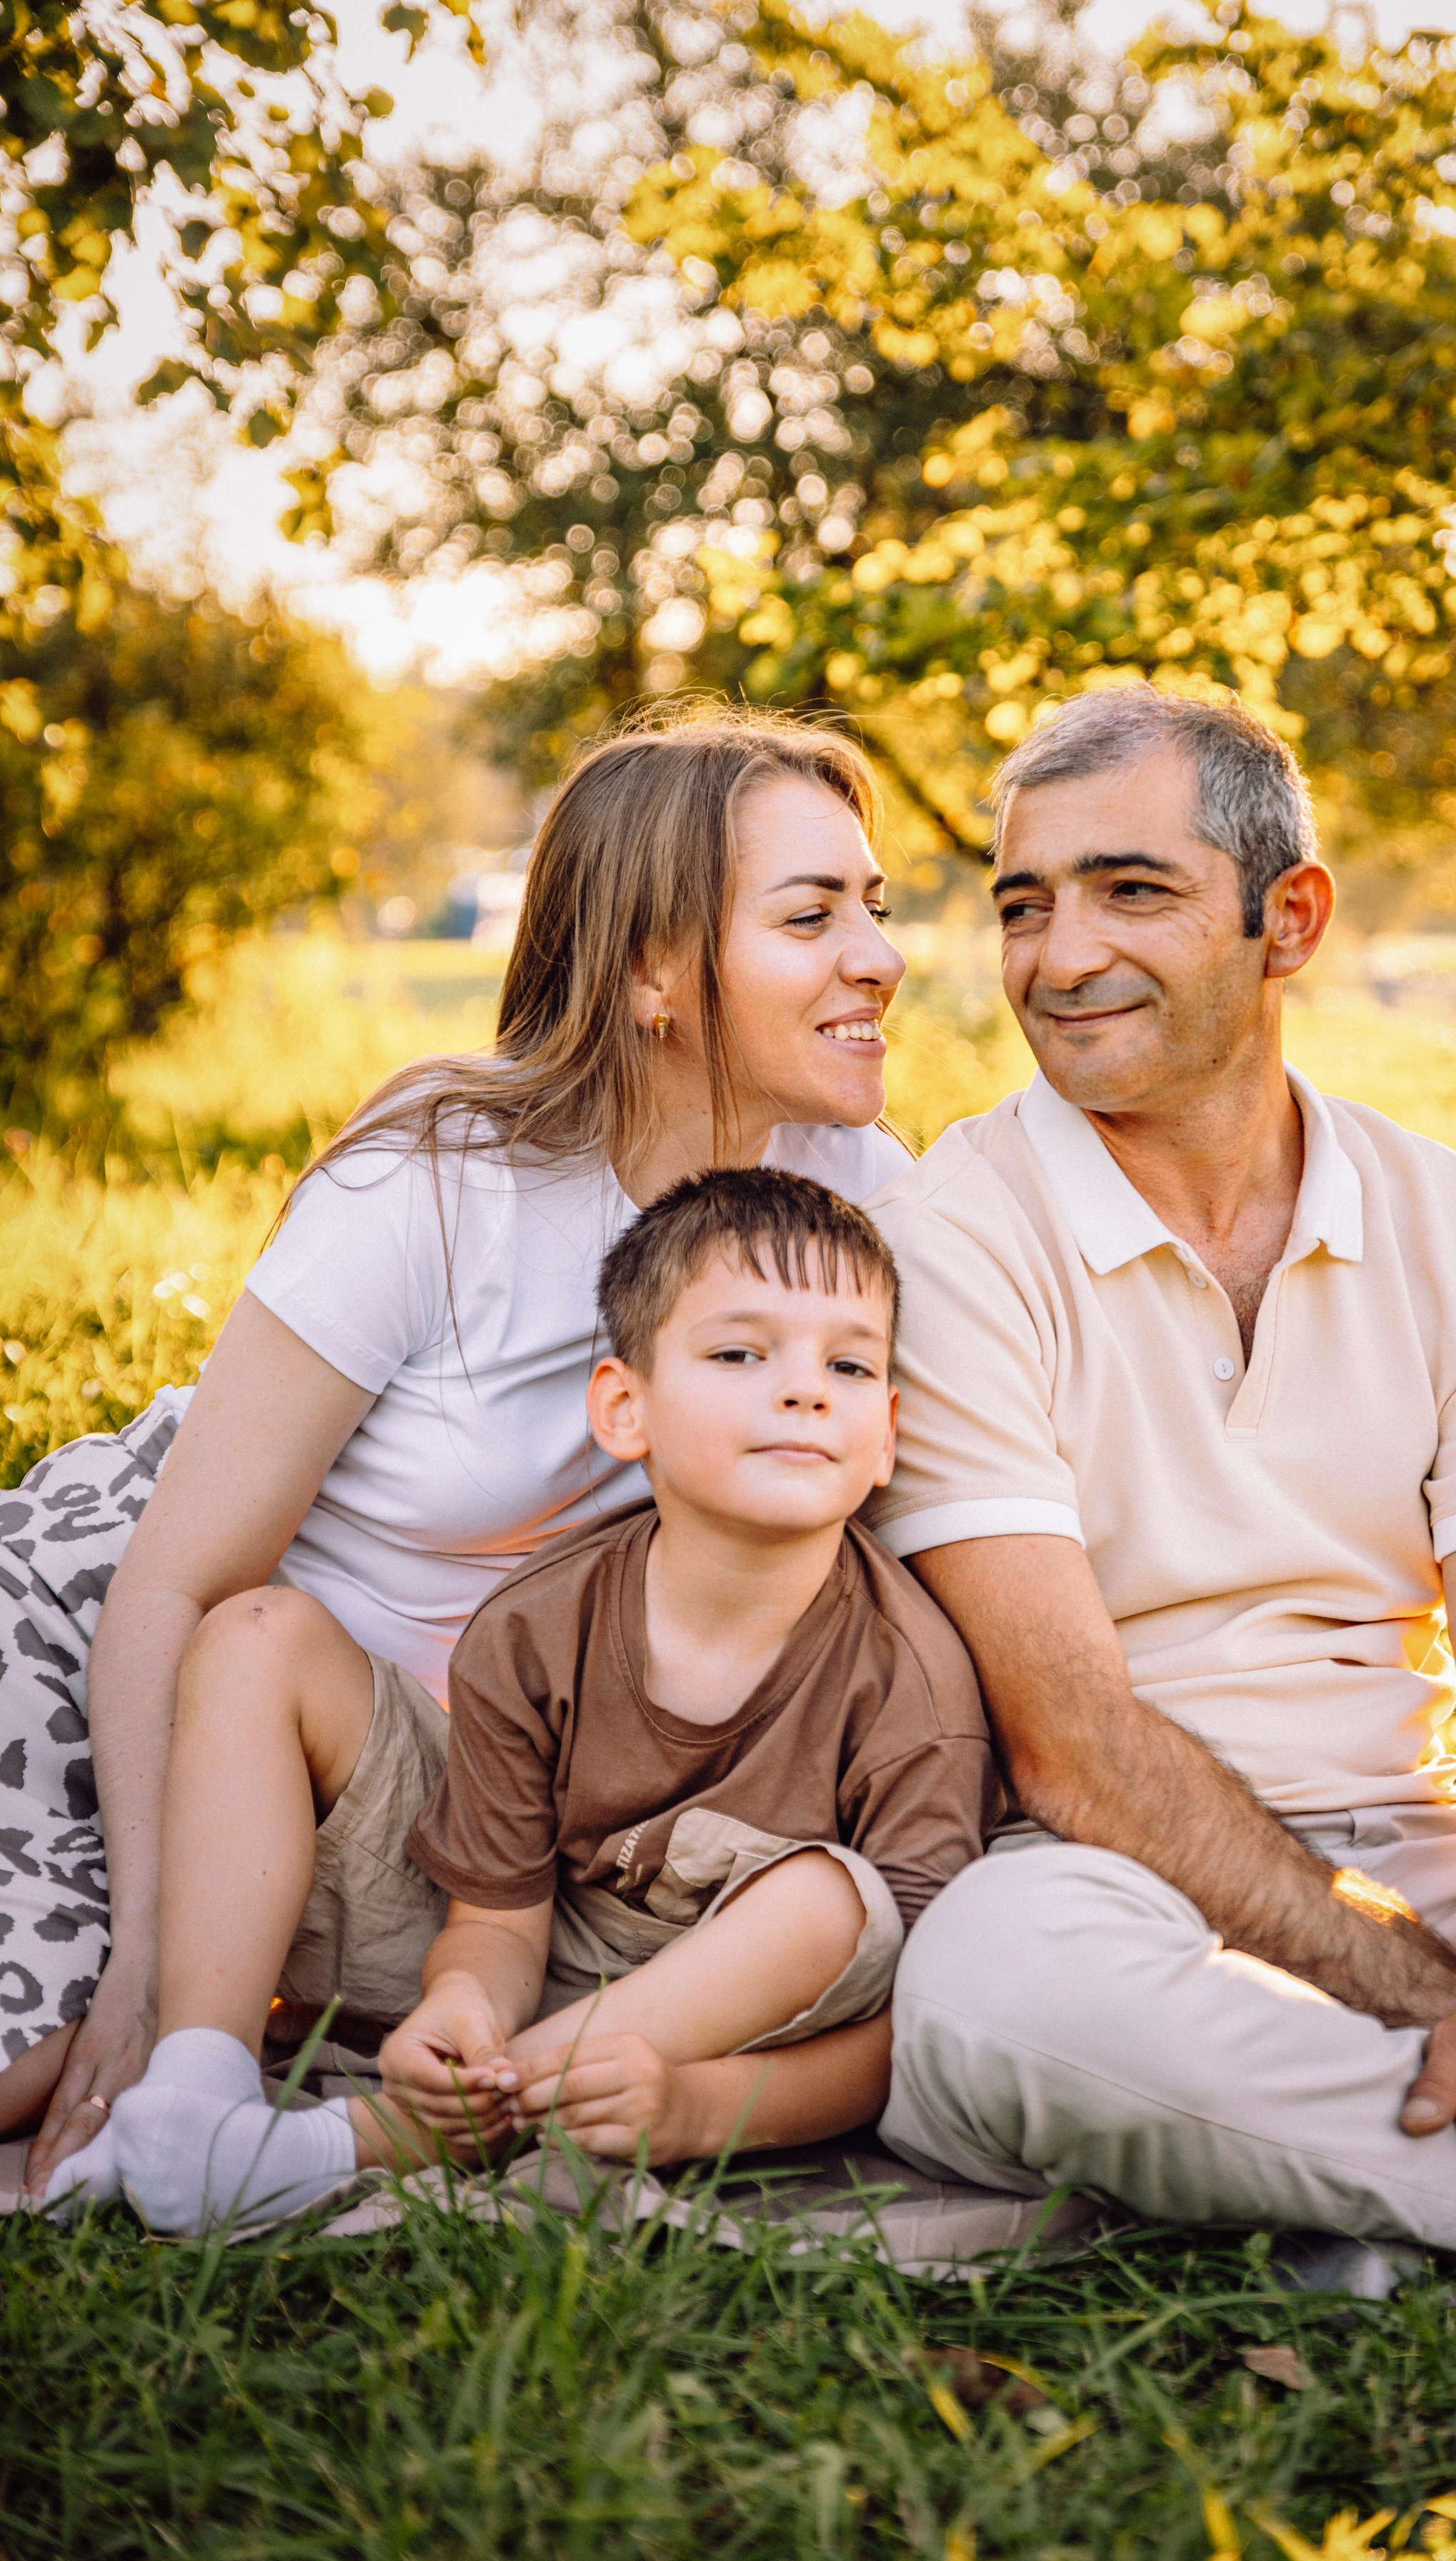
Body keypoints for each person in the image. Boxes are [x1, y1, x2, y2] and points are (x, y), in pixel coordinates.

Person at [864, 683, 1456, 2276]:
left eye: (1132, 890)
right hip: (1120, 1886)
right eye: (1020, 905)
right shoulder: (948, 1235)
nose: (1055, 957)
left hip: (1432, 1854)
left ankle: (1448, 2186)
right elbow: (1074, 1744)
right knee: (992, 1985)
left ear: (1286, 919)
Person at [3, 705, 913, 2199]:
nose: (877, 955)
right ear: (650, 970)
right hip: (129, 1632)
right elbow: (175, 1588)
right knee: (48, 2064)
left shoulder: (847, 1183)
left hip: (409, 1760)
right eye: (811, 915)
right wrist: (145, 1979)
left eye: (870, 908)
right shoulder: (435, 1180)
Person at [74, 1169, 997, 2236]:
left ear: (886, 1432)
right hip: (539, 1953)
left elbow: (908, 2031)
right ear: (624, 1407)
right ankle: (196, 2095)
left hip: (727, 2021)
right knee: (254, 1636)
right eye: (740, 1353)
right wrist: (462, 2001)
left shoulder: (910, 1681)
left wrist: (693, 2109)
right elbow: (497, 1921)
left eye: (847, 1363)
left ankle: (361, 2143)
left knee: (834, 1900)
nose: (803, 1391)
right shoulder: (537, 1625)